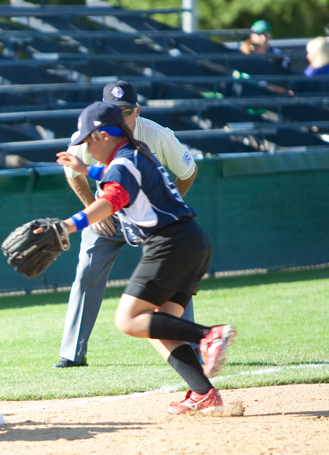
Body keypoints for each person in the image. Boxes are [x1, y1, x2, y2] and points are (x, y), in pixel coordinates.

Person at [54, 102, 236, 415]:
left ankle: (209, 334)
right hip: (191, 241)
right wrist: (86, 170)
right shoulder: (134, 154)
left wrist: (66, 226)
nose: (86, 146)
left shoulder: (124, 164)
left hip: (170, 245)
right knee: (156, 326)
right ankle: (203, 393)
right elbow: (115, 176)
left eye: (88, 139)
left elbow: (111, 199)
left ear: (105, 135)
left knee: (128, 319)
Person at [55, 80, 198, 368]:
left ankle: (193, 349)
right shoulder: (91, 135)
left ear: (138, 110)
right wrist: (93, 211)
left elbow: (188, 171)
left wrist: (166, 209)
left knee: (172, 276)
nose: (123, 116)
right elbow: (74, 173)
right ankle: (72, 355)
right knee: (87, 273)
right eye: (115, 110)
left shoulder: (157, 135)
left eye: (128, 110)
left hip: (149, 217)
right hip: (109, 214)